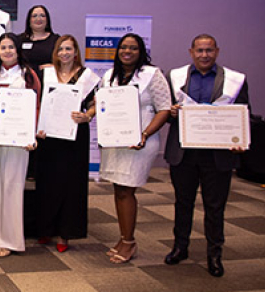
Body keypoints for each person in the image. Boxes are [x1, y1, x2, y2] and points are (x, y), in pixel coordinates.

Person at [163, 34, 249, 277]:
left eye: (209, 50)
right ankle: (180, 247)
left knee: (215, 206)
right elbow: (166, 111)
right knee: (183, 202)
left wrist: (240, 139)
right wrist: (171, 112)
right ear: (191, 52)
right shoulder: (176, 77)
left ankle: (214, 254)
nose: (204, 55)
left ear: (217, 52)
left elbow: (243, 113)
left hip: (217, 155)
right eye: (199, 50)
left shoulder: (234, 80)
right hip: (184, 153)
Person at [99, 33, 171, 264]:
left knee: (127, 190)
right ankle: (124, 238)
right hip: (116, 141)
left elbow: (164, 109)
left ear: (141, 52)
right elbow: (102, 105)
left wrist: (145, 133)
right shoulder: (110, 76)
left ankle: (129, 242)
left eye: (133, 48)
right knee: (119, 190)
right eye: (123, 48)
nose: (127, 52)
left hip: (141, 141)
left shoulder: (152, 75)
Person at [35, 36, 100, 253]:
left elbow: (95, 103)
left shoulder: (87, 76)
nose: (64, 52)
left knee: (71, 185)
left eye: (68, 49)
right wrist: (38, 126)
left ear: (75, 52)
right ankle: (45, 228)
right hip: (49, 135)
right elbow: (37, 103)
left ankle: (65, 233)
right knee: (47, 182)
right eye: (60, 49)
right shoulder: (46, 73)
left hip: (75, 134)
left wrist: (87, 116)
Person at [0, 33, 40, 257]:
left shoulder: (27, 74)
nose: (7, 51)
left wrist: (32, 135)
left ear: (18, 50)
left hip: (18, 140)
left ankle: (8, 239)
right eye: (2, 47)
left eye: (11, 47)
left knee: (11, 186)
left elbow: (36, 105)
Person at [18, 5, 60, 78]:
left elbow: (65, 62)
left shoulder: (56, 40)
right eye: (34, 16)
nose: (38, 18)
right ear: (29, 21)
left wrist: (55, 66)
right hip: (23, 80)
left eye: (42, 16)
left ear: (47, 20)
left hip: (48, 79)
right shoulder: (19, 40)